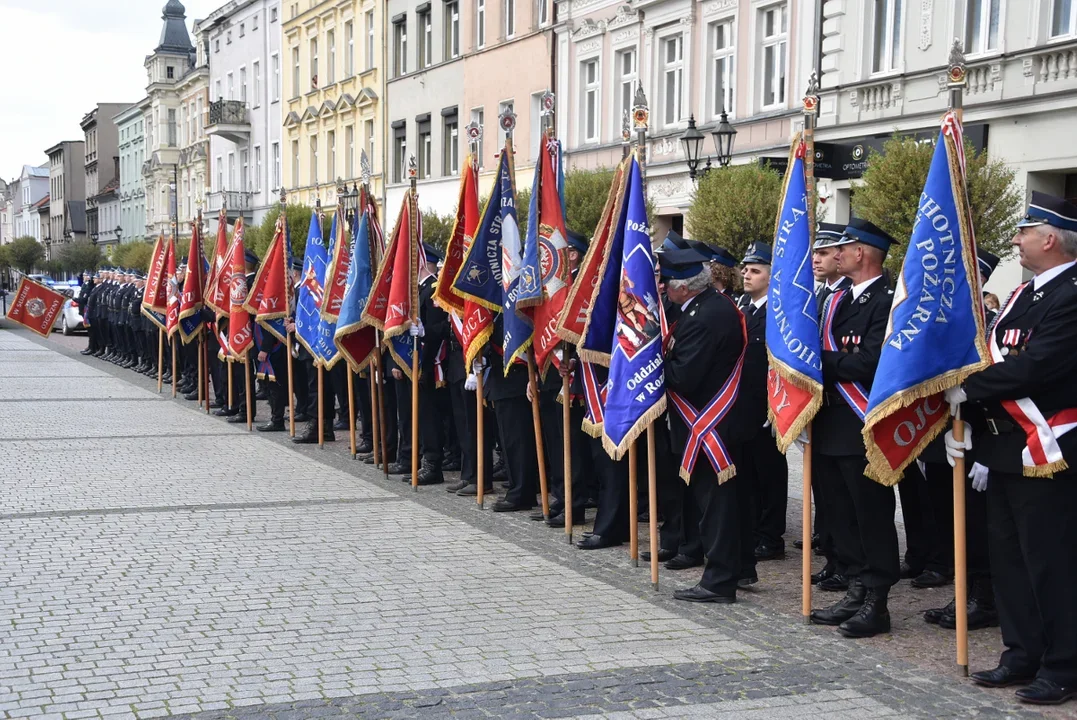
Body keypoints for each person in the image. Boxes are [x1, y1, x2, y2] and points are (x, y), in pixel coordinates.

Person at [947, 192, 1077, 705]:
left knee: (1052, 561)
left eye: (1023, 231)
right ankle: (1021, 653)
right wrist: (974, 426)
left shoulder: (1071, 293)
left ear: (1050, 238)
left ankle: (1064, 664)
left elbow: (1039, 365)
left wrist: (967, 387)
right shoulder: (1026, 292)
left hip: (1049, 448)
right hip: (1004, 449)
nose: (1016, 239)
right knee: (1010, 561)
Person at [809, 218, 900, 639]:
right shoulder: (837, 299)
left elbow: (869, 362)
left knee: (871, 515)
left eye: (843, 247)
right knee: (839, 513)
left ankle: (877, 601)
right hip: (831, 422)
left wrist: (815, 362)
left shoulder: (888, 299)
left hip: (864, 427)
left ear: (861, 252)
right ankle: (853, 586)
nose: (836, 253)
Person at [659, 247, 748, 604]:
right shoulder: (705, 306)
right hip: (710, 424)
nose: (663, 288)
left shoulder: (704, 316)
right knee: (718, 505)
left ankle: (719, 581)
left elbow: (685, 376)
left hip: (711, 426)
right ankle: (731, 570)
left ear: (683, 286)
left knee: (717, 507)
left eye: (666, 282)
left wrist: (647, 367)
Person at [919, 249, 1001, 630]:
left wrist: (985, 444)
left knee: (975, 522)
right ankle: (963, 591)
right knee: (947, 517)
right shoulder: (941, 324)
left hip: (978, 439)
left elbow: (999, 387)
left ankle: (983, 598)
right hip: (941, 435)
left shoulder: (993, 326)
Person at [736, 242, 789, 564]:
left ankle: (771, 536)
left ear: (771, 277)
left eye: (755, 270)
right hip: (743, 407)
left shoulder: (777, 314)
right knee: (749, 474)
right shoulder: (744, 309)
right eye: (745, 269)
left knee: (769, 474)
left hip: (769, 408)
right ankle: (754, 529)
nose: (747, 274)